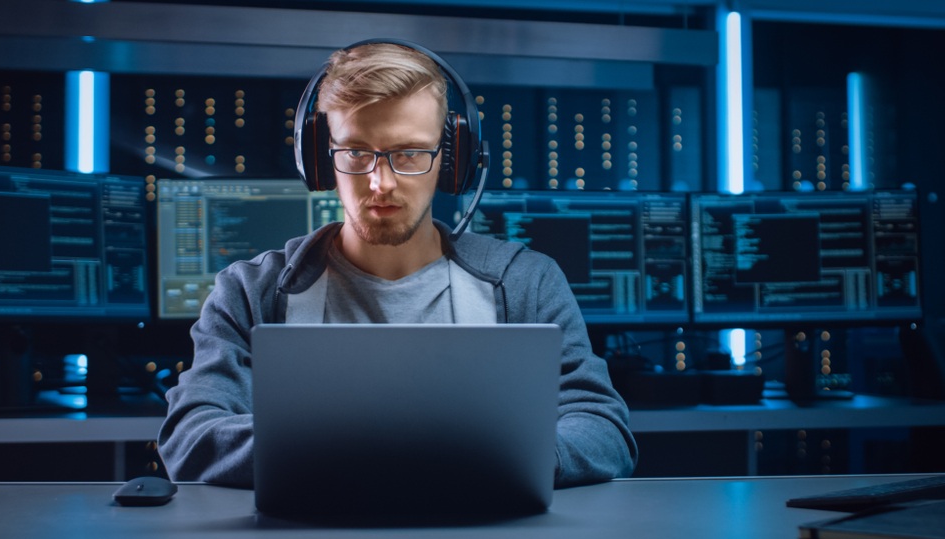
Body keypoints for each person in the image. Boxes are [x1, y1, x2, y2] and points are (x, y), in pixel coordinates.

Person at [157, 40, 638, 489]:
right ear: (321, 160)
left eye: (409, 153)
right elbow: (190, 435)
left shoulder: (525, 282)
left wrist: (518, 458)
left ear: (452, 162)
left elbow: (601, 427)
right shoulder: (250, 292)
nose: (380, 182)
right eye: (356, 152)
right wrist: (372, 455)